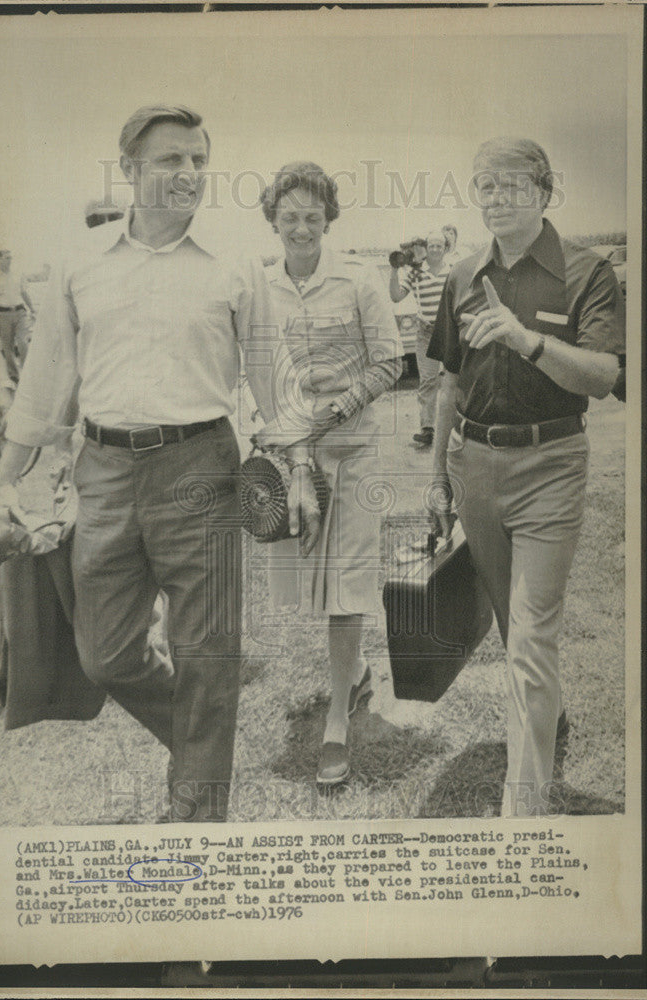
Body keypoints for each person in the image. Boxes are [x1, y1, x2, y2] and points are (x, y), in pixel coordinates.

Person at [0, 105, 318, 823]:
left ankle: (197, 816)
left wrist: (296, 469)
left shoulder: (236, 266)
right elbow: (45, 390)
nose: (189, 174)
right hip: (103, 472)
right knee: (104, 655)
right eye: (171, 160)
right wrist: (1, 482)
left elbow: (276, 383)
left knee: (206, 655)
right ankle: (203, 750)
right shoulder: (81, 265)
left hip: (202, 467)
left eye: (198, 160)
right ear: (130, 170)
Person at [427, 137, 625, 817]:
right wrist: (435, 478)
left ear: (545, 191)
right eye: (484, 185)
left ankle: (523, 812)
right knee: (516, 631)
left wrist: (525, 338)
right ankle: (549, 713)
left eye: (512, 184)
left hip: (550, 463)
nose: (496, 197)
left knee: (532, 631)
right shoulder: (458, 277)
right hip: (473, 466)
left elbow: (603, 377)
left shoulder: (586, 271)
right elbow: (448, 382)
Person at [259, 161, 404, 786]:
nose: (301, 227)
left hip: (354, 455)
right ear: (273, 220)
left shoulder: (359, 277)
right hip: (295, 461)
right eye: (289, 216)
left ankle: (337, 724)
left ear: (329, 219)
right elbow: (258, 370)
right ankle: (358, 673)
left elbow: (393, 361)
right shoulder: (261, 287)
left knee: (346, 590)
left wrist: (340, 402)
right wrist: (291, 436)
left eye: (312, 217)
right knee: (311, 591)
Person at [389, 231, 450, 448]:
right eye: (431, 245)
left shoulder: (452, 271)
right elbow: (396, 296)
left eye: (439, 246)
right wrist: (394, 270)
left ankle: (458, 427)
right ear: (426, 248)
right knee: (428, 381)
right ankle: (427, 429)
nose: (435, 249)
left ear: (445, 249)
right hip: (425, 333)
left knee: (456, 379)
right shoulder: (415, 273)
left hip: (449, 331)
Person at [0, 249, 37, 383]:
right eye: (7, 258)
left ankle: (27, 375)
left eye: (11, 258)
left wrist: (33, 309)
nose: (10, 260)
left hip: (20, 312)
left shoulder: (18, 274)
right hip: (2, 314)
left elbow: (24, 293)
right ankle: (15, 376)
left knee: (23, 342)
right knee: (7, 347)